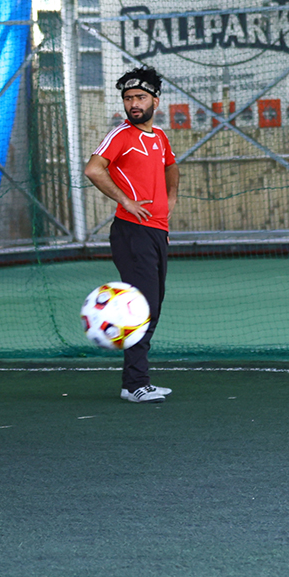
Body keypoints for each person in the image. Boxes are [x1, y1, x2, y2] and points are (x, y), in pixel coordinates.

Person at [83, 66, 180, 403]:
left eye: (139, 97)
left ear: (156, 99)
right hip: (131, 231)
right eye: (128, 98)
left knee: (154, 306)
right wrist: (125, 199)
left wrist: (170, 201)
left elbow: (171, 165)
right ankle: (137, 385)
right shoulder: (121, 135)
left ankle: (133, 383)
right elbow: (93, 169)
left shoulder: (160, 137)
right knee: (142, 307)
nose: (133, 104)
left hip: (156, 231)